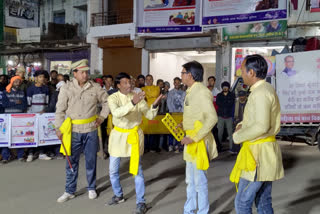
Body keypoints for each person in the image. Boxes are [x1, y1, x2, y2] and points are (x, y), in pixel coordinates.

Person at [231, 54, 284, 214]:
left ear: (251, 73)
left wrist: (237, 136)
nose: (241, 74)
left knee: (242, 202)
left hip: (257, 157)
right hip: (264, 154)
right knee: (263, 201)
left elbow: (261, 125)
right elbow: (254, 120)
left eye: (242, 70)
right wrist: (242, 125)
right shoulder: (264, 89)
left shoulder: (260, 92)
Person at [106, 72, 164, 214]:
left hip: (133, 136)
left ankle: (141, 202)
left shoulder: (137, 97)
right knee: (113, 170)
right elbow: (117, 113)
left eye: (129, 82)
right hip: (118, 136)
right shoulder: (113, 98)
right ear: (118, 85)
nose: (128, 85)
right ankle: (118, 195)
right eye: (125, 83)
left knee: (137, 171)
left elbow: (149, 115)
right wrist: (133, 103)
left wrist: (155, 105)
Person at [55, 59, 109, 203]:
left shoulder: (95, 87)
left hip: (91, 129)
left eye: (86, 72)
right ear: (75, 73)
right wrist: (58, 128)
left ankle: (91, 187)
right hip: (72, 131)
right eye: (82, 72)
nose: (85, 75)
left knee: (91, 160)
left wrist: (102, 117)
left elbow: (107, 102)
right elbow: (60, 110)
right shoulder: (66, 88)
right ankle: (69, 190)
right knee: (71, 161)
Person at [179, 61, 218, 214]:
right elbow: (196, 114)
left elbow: (212, 118)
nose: (181, 76)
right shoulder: (190, 91)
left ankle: (202, 211)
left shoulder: (201, 92)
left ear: (190, 75)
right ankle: (189, 210)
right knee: (190, 180)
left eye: (182, 73)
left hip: (198, 142)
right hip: (191, 140)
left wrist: (194, 138)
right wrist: (183, 124)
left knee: (200, 181)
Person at [1, 76, 27, 163]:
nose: (18, 83)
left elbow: (24, 105)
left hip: (19, 117)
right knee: (6, 137)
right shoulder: (5, 92)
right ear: (12, 82)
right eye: (15, 81)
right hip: (8, 117)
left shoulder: (22, 92)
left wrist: (12, 103)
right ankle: (5, 156)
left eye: (19, 81)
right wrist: (16, 102)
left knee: (20, 136)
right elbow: (4, 104)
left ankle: (20, 155)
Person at [26, 70, 51, 162]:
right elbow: (28, 103)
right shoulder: (30, 89)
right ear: (36, 78)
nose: (42, 79)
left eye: (43, 77)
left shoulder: (46, 88)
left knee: (42, 133)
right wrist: (30, 114)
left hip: (43, 115)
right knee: (32, 133)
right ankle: (30, 153)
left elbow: (47, 103)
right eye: (40, 77)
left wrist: (45, 111)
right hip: (33, 115)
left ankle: (41, 153)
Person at [142, 75, 161, 152]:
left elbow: (155, 94)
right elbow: (144, 96)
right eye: (147, 79)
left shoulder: (157, 88)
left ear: (153, 80)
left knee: (155, 128)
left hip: (155, 110)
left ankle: (154, 147)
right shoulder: (142, 88)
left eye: (150, 79)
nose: (149, 80)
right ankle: (146, 147)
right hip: (145, 110)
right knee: (145, 128)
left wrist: (147, 94)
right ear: (145, 81)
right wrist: (149, 95)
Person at [167, 77, 185, 152]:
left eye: (178, 82)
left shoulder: (183, 93)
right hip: (172, 113)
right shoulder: (170, 92)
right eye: (175, 82)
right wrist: (172, 111)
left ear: (180, 83)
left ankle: (178, 145)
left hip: (180, 114)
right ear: (173, 83)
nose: (177, 84)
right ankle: (171, 145)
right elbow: (169, 103)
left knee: (179, 129)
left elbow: (184, 103)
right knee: (172, 129)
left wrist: (182, 111)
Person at [216, 81, 235, 153]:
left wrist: (224, 104)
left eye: (226, 87)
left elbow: (231, 104)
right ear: (222, 88)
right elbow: (218, 103)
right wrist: (226, 104)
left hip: (229, 117)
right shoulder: (219, 95)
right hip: (220, 116)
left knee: (230, 133)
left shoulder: (232, 95)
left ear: (228, 88)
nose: (225, 88)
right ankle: (219, 147)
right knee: (219, 133)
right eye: (224, 87)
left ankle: (231, 148)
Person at [207, 76, 221, 152]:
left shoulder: (217, 92)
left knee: (215, 132)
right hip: (206, 115)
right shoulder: (205, 91)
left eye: (212, 81)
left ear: (214, 82)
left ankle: (217, 147)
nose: (210, 82)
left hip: (215, 115)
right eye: (209, 81)